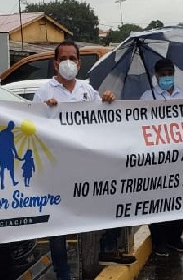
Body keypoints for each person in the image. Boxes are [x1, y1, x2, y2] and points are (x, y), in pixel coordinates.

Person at [32, 40, 135, 278]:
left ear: (78, 63)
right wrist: (45, 112)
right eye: (63, 58)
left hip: (86, 165)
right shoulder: (44, 92)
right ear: (55, 63)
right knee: (58, 224)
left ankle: (108, 246)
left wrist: (107, 99)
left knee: (112, 199)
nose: (68, 63)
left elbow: (101, 118)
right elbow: (33, 127)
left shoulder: (87, 90)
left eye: (73, 58)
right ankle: (63, 272)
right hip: (57, 168)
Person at [140, 58, 183, 257]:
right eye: (163, 74)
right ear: (156, 76)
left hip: (178, 156)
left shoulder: (182, 95)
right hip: (156, 157)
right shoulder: (146, 97)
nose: (167, 77)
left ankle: (175, 238)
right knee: (158, 200)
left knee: (179, 199)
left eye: (170, 73)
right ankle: (159, 240)